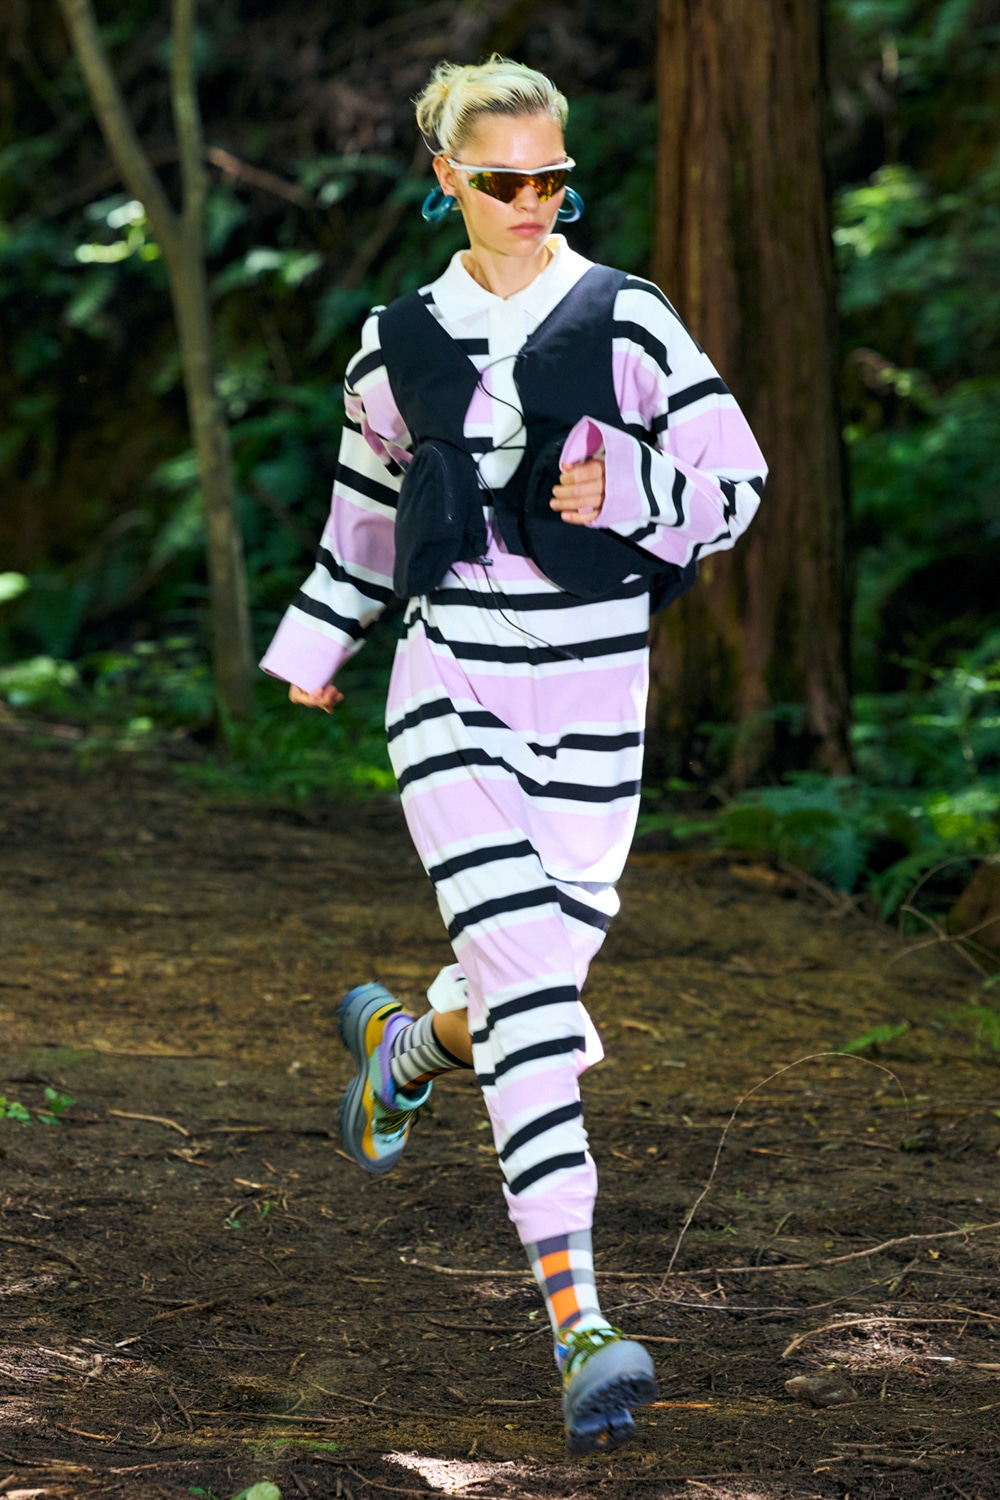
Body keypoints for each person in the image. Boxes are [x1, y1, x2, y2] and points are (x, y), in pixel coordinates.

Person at [261, 54, 766, 1455]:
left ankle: (407, 1048)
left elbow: (737, 490)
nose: (532, 201)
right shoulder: (390, 346)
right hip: (451, 687)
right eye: (503, 181)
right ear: (448, 180)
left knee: (527, 983)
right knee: (537, 1001)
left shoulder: (631, 320)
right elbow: (365, 523)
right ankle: (582, 1324)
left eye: (553, 177)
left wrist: (636, 485)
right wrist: (318, 648)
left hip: (598, 701)